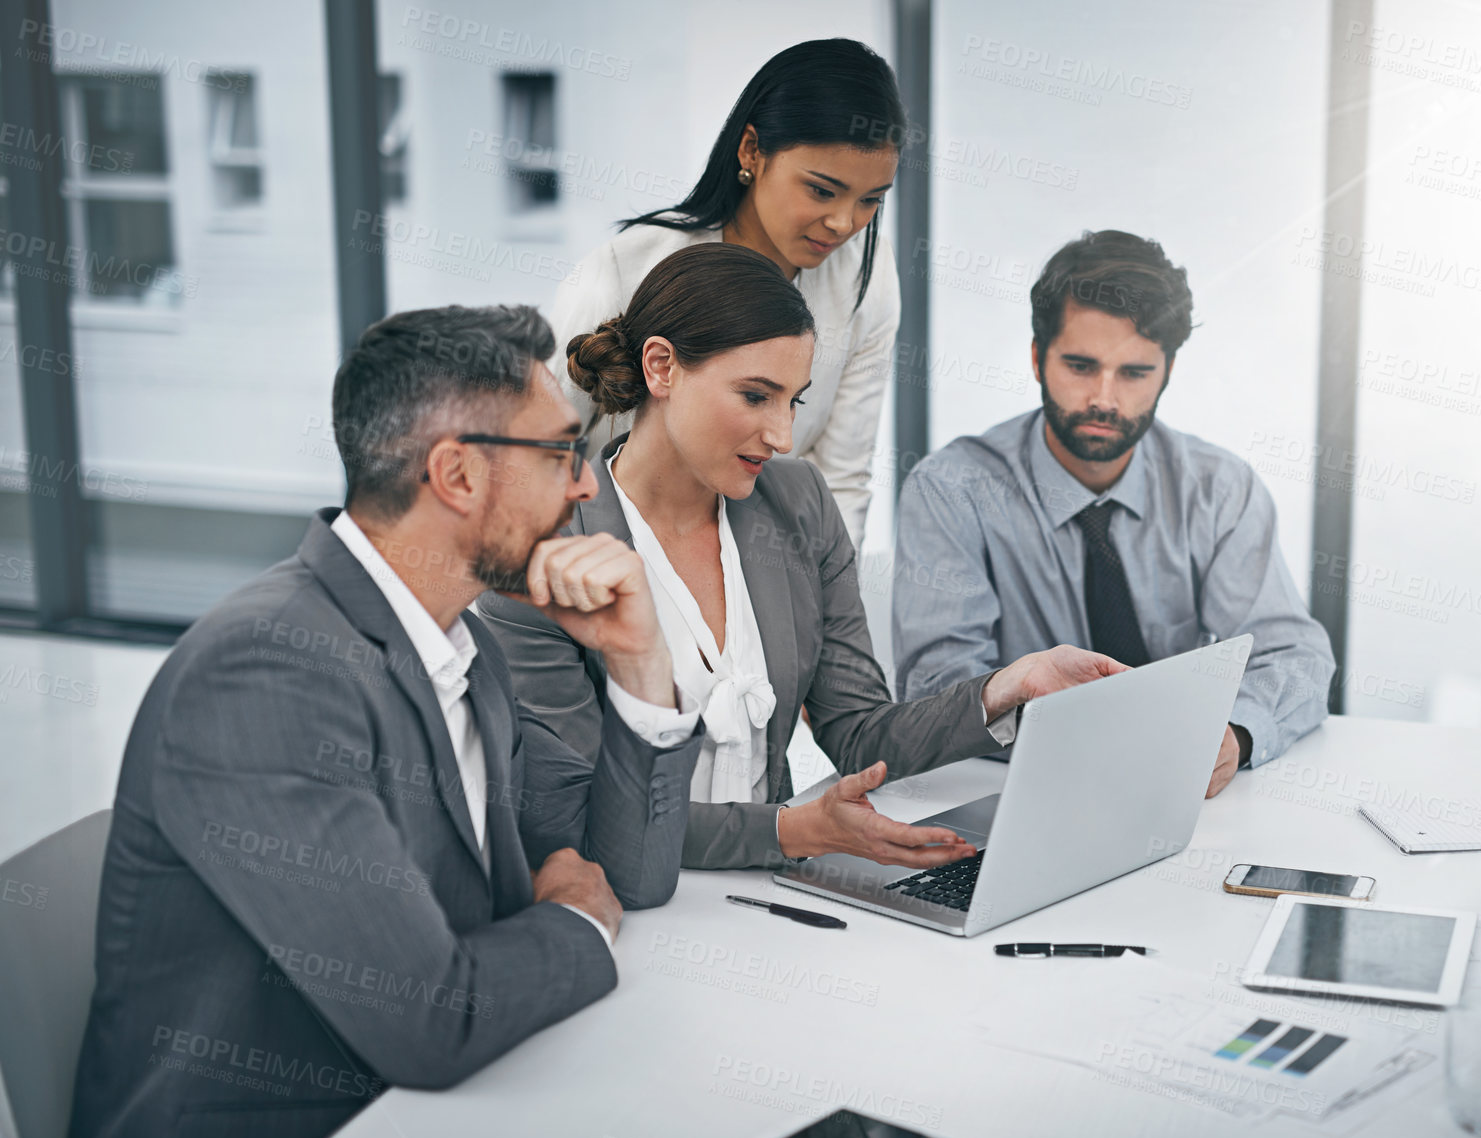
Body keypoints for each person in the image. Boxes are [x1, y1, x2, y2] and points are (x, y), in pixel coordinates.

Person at [68, 307, 704, 1138]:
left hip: (435, 1111)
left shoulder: (461, 644)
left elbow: (629, 870)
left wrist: (638, 655)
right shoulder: (267, 670)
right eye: (561, 454)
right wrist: (578, 924)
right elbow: (433, 1021)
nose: (587, 486)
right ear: (457, 475)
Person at [480, 244, 1124, 872]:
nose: (782, 435)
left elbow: (861, 731)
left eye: (794, 401)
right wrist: (790, 830)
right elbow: (582, 816)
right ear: (662, 368)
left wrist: (1006, 686)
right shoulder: (546, 550)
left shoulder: (796, 502)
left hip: (779, 892)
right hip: (629, 905)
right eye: (756, 397)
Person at [893, 230, 1336, 798]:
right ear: (1036, 358)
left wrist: (1234, 735)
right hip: (1019, 793)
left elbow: (1296, 657)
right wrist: (1080, 737)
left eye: (1134, 373)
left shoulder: (1219, 489)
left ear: (1168, 371)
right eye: (1080, 366)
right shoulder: (953, 489)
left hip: (1182, 799)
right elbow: (937, 689)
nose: (1104, 399)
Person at [548, 37, 906, 544]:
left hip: (762, 567)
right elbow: (538, 452)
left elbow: (841, 479)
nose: (844, 222)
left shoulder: (866, 279)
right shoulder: (625, 271)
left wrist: (824, 608)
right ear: (752, 150)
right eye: (821, 190)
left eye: (871, 199)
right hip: (607, 559)